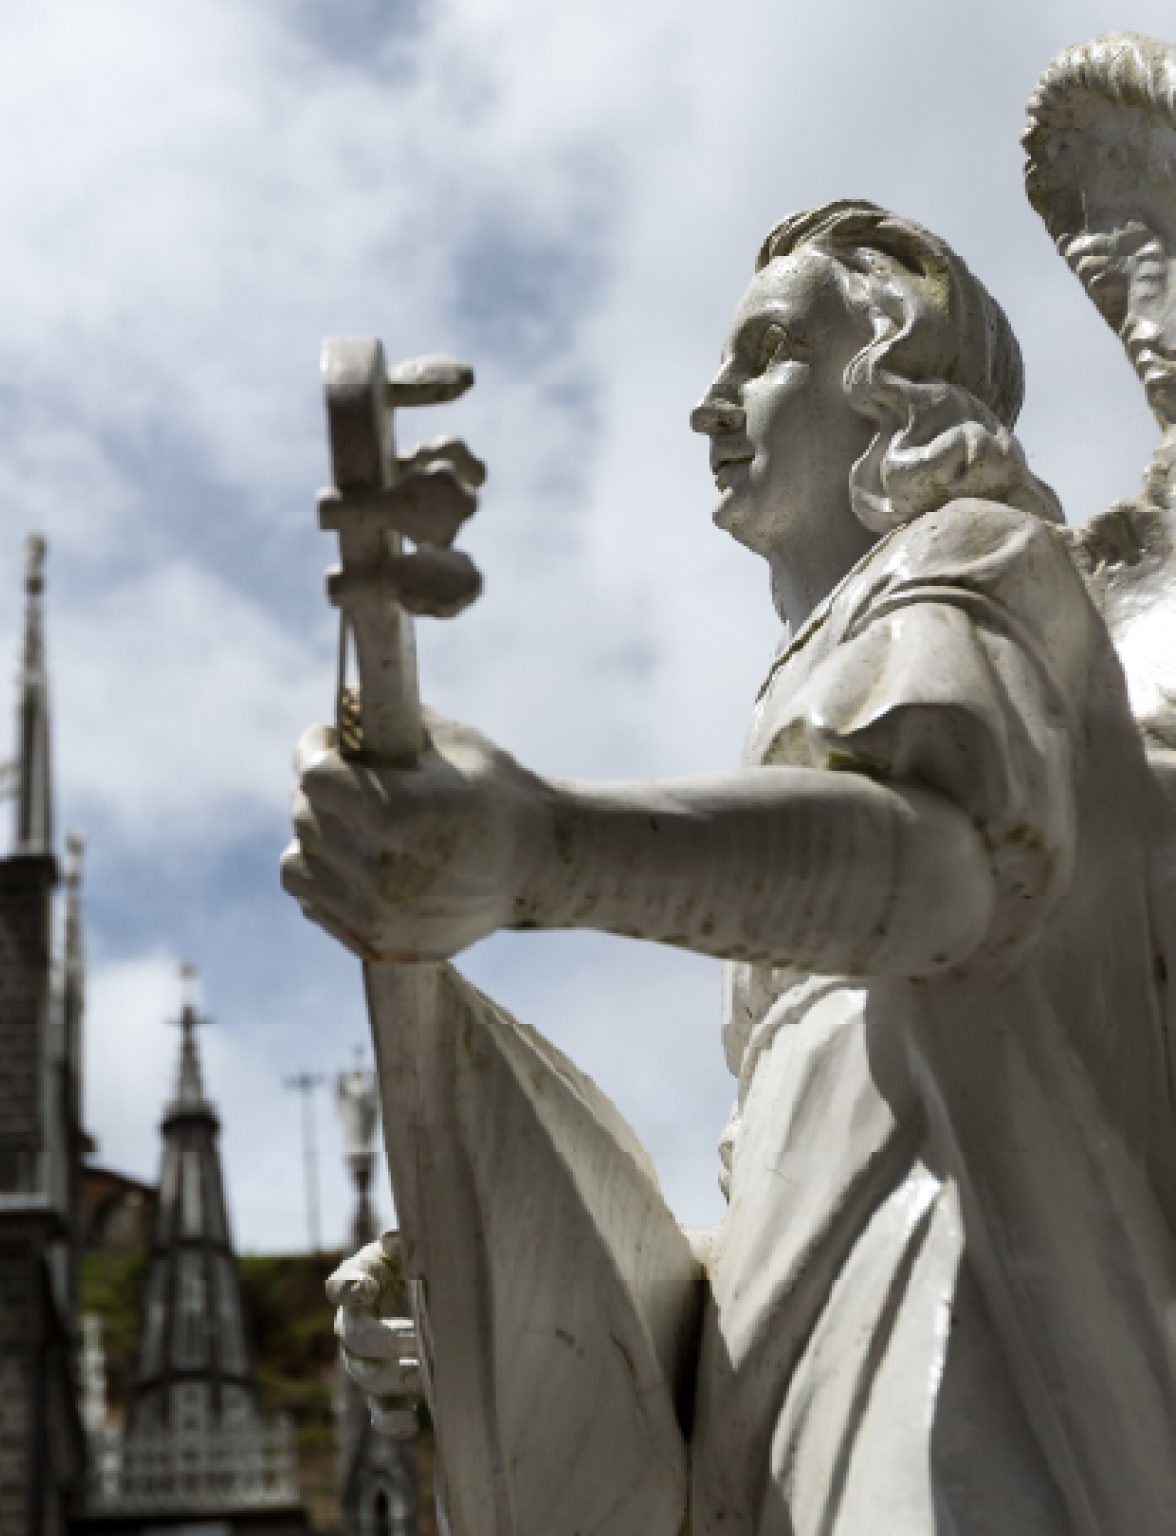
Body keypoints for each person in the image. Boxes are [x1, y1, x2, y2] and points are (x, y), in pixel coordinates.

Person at [285, 201, 1176, 1532]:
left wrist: (540, 847)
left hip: (969, 1308)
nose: (710, 405)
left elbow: (949, 876)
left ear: (897, 393)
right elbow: (813, 1168)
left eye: (765, 354)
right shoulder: (814, 669)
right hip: (800, 1371)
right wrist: (505, 1287)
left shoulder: (978, 562)